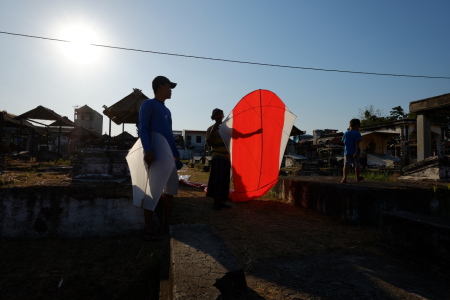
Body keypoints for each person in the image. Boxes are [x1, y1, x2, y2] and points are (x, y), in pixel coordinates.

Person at [139, 75, 180, 240]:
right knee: (152, 191)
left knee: (169, 190)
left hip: (168, 155)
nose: (171, 91)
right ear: (161, 86)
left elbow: (169, 135)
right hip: (154, 154)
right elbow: (143, 128)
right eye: (169, 87)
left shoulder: (167, 110)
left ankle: (168, 223)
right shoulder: (148, 104)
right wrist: (148, 150)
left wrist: (176, 153)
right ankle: (148, 227)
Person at [206, 108, 232, 210]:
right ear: (213, 117)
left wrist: (255, 132)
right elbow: (209, 143)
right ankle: (216, 202)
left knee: (225, 181)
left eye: (220, 114)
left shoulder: (226, 128)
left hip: (226, 157)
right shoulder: (210, 129)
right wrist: (215, 128)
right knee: (218, 180)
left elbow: (239, 135)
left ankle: (221, 201)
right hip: (217, 157)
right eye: (217, 114)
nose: (219, 116)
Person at [341, 118, 364, 183]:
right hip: (354, 152)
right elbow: (357, 143)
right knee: (356, 165)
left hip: (347, 151)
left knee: (346, 165)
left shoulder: (346, 133)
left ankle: (344, 178)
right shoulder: (357, 133)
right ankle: (357, 177)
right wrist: (356, 152)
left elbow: (344, 142)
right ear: (357, 126)